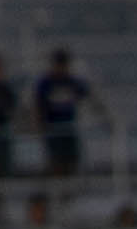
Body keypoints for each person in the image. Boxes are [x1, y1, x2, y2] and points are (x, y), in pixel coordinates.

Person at [31, 50, 92, 181]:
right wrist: (41, 125)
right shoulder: (46, 83)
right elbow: (38, 105)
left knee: (71, 161)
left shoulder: (71, 81)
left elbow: (87, 94)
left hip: (69, 128)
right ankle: (58, 189)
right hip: (53, 128)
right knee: (56, 162)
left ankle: (68, 191)